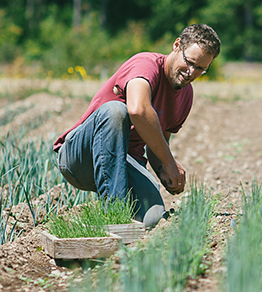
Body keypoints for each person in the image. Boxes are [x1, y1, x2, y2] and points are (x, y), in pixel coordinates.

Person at [53, 24, 220, 228]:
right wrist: (169, 162)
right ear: (177, 45)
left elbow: (157, 143)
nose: (191, 72)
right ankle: (113, 217)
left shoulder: (185, 96)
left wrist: (165, 172)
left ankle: (107, 213)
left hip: (125, 162)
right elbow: (138, 110)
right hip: (80, 158)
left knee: (154, 218)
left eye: (201, 69)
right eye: (190, 62)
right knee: (115, 111)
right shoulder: (146, 65)